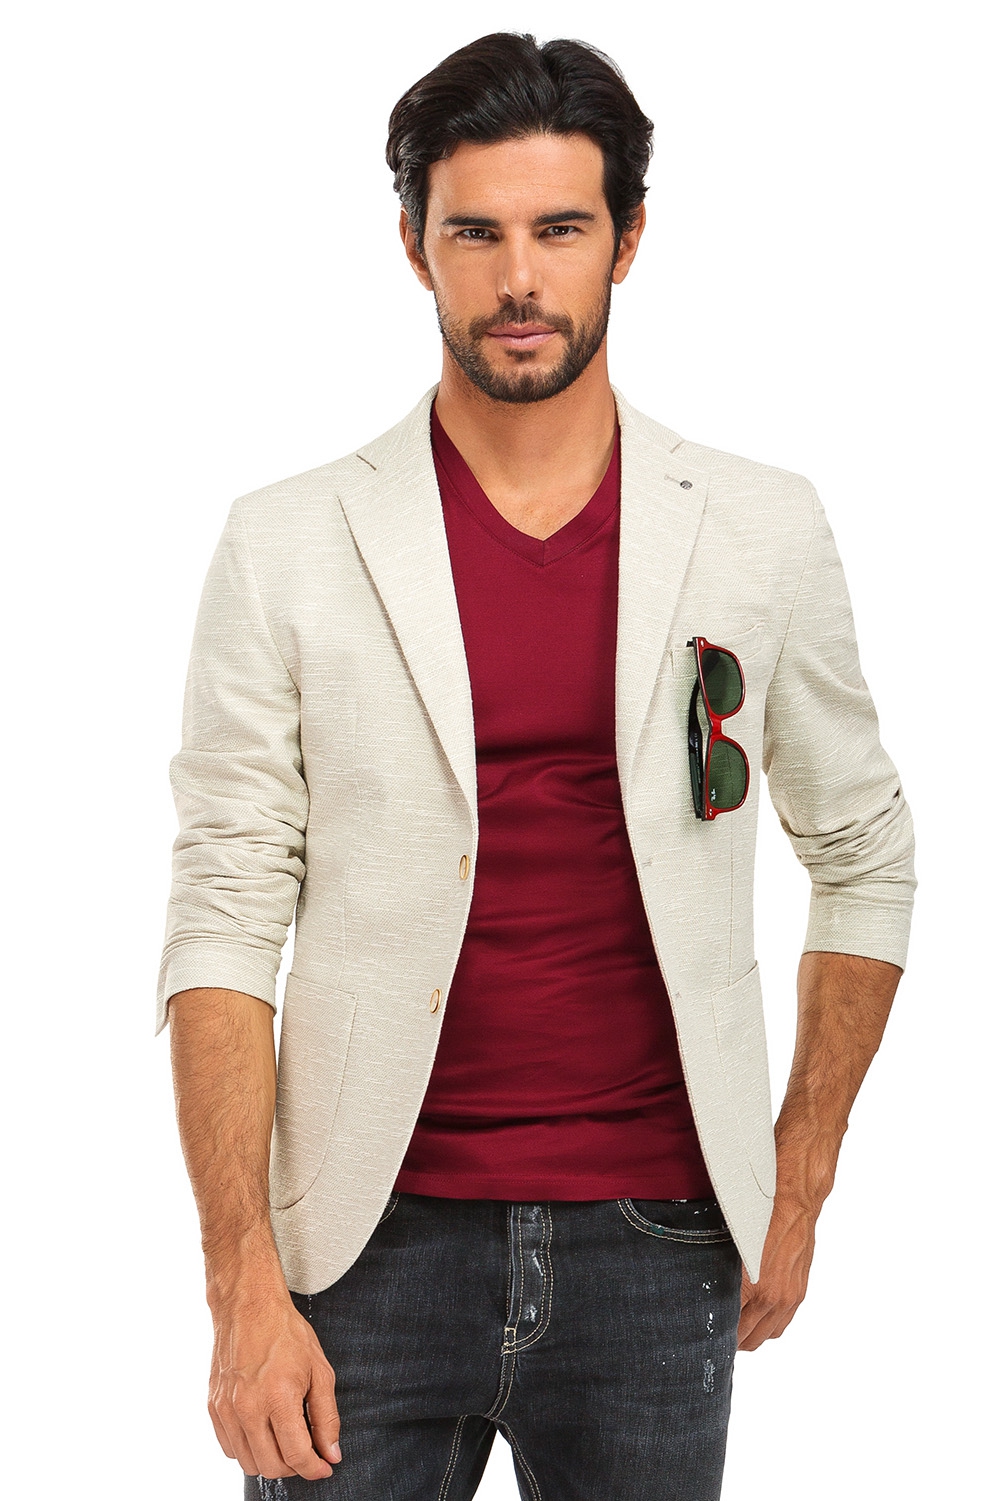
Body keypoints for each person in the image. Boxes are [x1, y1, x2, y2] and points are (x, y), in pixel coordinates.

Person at [158, 32, 916, 1501]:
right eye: (476, 234)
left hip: (660, 1238)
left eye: (561, 230)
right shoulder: (287, 542)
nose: (519, 279)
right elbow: (223, 915)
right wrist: (239, 1277)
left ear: (627, 242)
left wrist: (802, 1171)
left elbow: (868, 851)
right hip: (360, 1249)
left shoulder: (760, 526)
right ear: (413, 245)